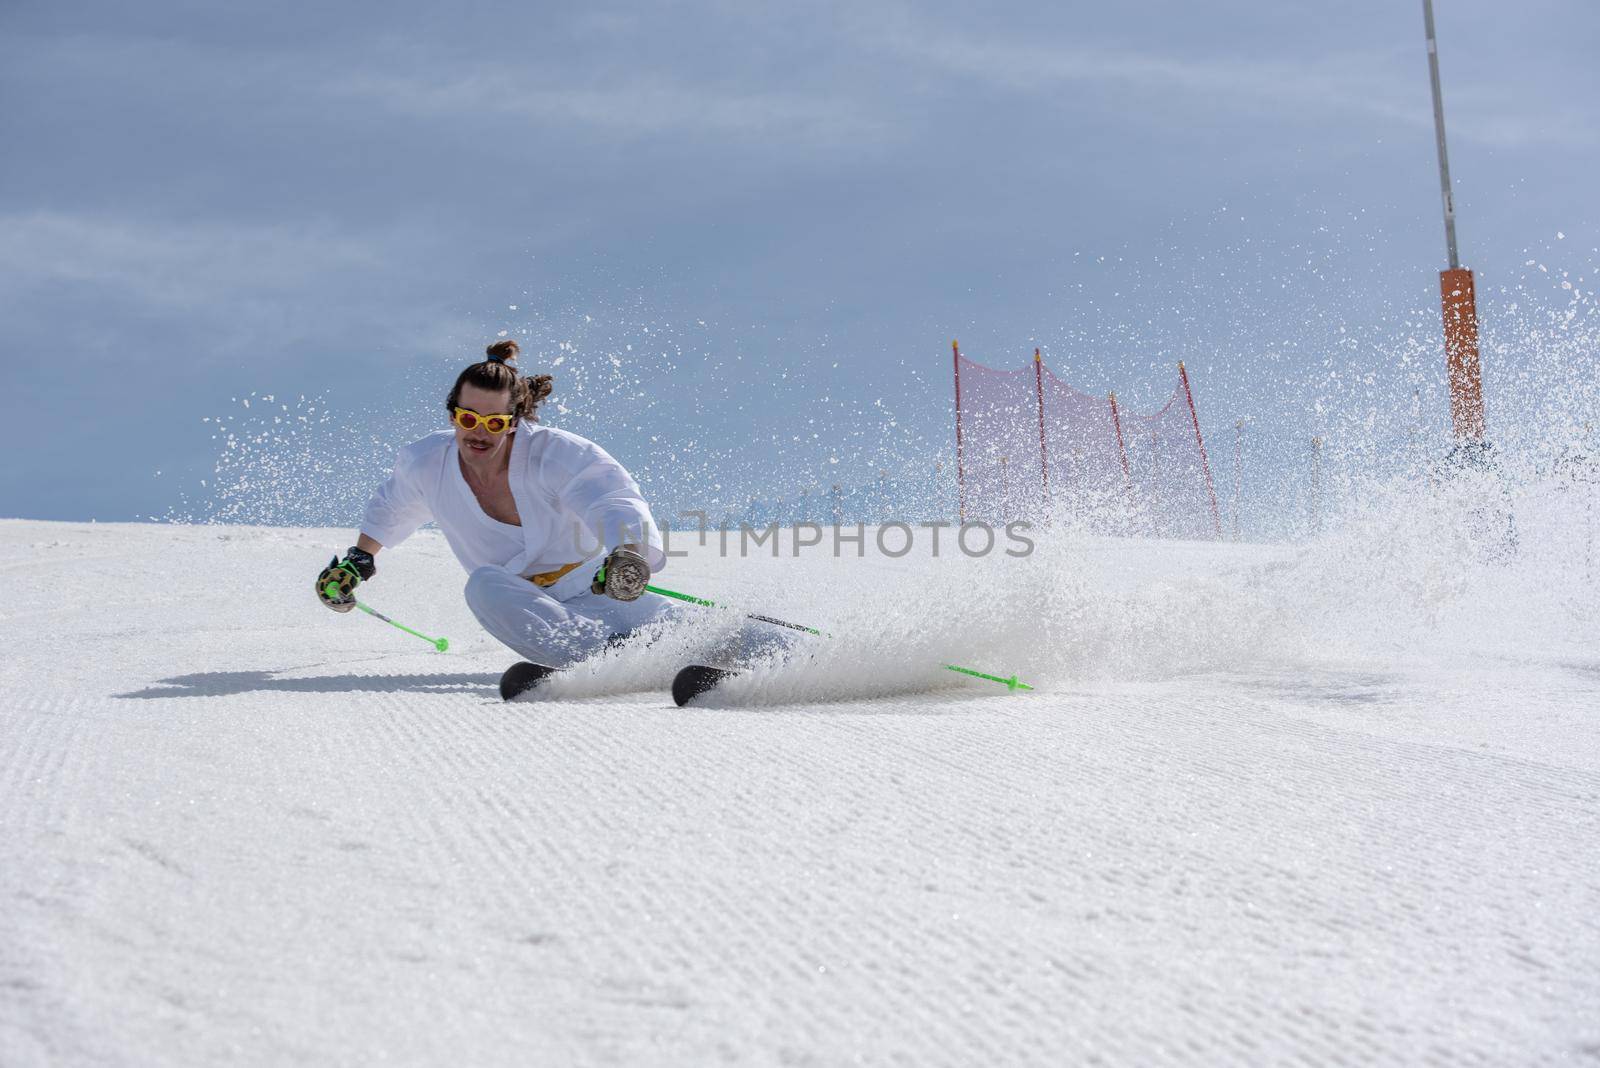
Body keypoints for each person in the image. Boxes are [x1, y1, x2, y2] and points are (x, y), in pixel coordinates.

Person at [314, 339, 782, 699]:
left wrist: (629, 556)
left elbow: (613, 500)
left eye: (494, 423)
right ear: (453, 413)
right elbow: (391, 508)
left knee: (725, 635)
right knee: (484, 585)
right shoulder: (425, 463)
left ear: (515, 420)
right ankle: (610, 662)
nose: (478, 433)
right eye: (467, 418)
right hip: (534, 610)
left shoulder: (557, 453)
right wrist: (356, 564)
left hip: (600, 589)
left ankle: (807, 660)